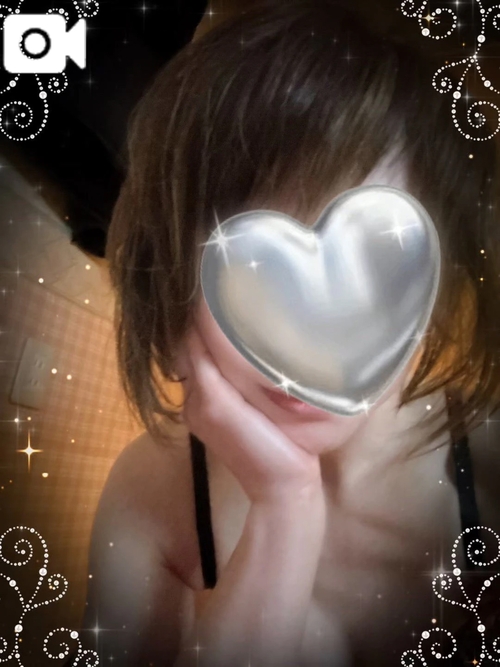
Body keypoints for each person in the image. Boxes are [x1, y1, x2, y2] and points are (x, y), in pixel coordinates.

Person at [81, 1, 500, 665]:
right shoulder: (150, 497)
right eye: (255, 272)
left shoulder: (487, 456)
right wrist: (284, 512)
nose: (310, 337)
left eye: (377, 262)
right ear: (174, 276)